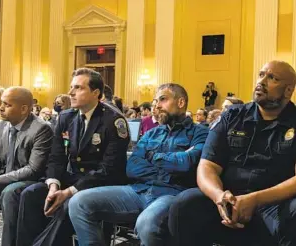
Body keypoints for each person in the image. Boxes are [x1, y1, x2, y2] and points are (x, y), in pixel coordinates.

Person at [168, 61, 296, 246]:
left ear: (288, 90)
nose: (261, 82)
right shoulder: (232, 116)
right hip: (230, 201)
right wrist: (219, 196)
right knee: (185, 204)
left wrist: (255, 199)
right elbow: (207, 166)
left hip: (277, 205)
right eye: (261, 75)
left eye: (272, 78)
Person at [68, 83, 209, 246]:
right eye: (155, 101)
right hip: (139, 191)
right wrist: (169, 164)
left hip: (172, 194)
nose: (157, 105)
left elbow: (187, 164)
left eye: (163, 99)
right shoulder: (152, 133)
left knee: (146, 224)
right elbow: (133, 166)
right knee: (79, 202)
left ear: (181, 103)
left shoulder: (201, 133)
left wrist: (151, 156)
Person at [13, 68, 130, 246]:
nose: (70, 93)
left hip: (102, 184)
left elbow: (109, 169)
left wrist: (69, 191)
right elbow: (56, 157)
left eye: (78, 88)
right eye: (71, 87)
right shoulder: (66, 117)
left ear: (95, 93)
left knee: (69, 203)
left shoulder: (114, 121)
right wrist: (54, 185)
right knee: (31, 194)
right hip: (73, 178)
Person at [0, 86, 54, 246]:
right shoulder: (0, 126)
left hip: (31, 183)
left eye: (7, 105)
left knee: (10, 193)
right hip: (2, 179)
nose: (1, 108)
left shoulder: (41, 129)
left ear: (23, 109)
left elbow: (33, 169)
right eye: (2, 103)